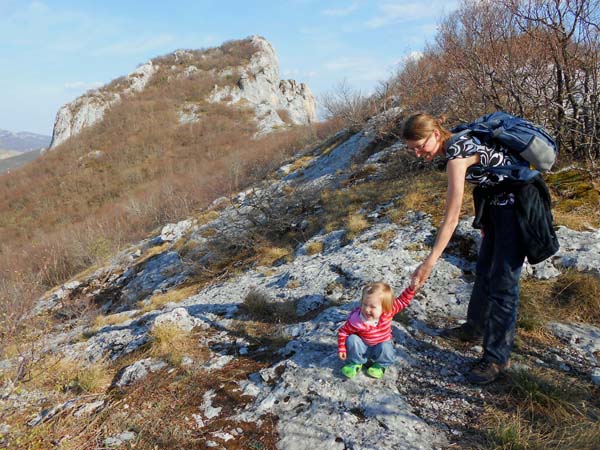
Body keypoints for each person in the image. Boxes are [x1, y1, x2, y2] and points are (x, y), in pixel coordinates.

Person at [338, 282, 415, 379]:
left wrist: (412, 288)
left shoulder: (388, 312)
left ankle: (380, 365)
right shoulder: (356, 320)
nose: (367, 309)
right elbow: (343, 332)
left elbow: (403, 300)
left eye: (372, 307)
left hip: (379, 347)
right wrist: (342, 348)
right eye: (364, 304)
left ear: (385, 307)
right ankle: (356, 362)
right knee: (352, 339)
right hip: (363, 347)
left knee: (386, 346)